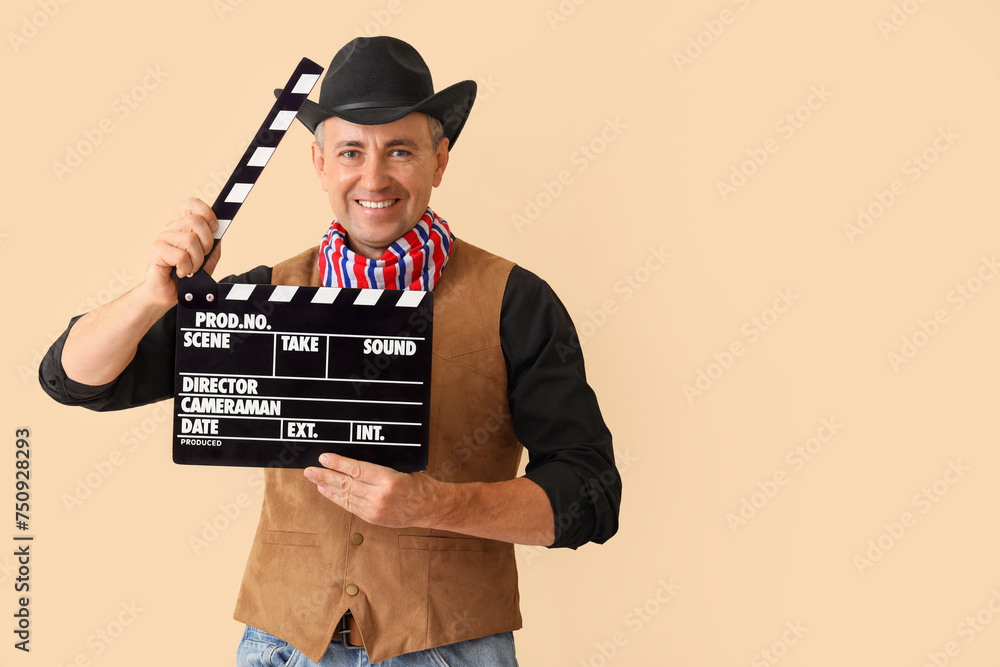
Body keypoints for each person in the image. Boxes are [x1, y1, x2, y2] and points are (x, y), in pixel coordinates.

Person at [39, 36, 620, 666]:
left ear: (440, 160)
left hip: (451, 649)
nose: (374, 178)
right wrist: (150, 298)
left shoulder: (517, 303)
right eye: (350, 152)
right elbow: (75, 380)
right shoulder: (259, 300)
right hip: (283, 647)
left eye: (400, 150)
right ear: (319, 165)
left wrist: (437, 504)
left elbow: (590, 492)